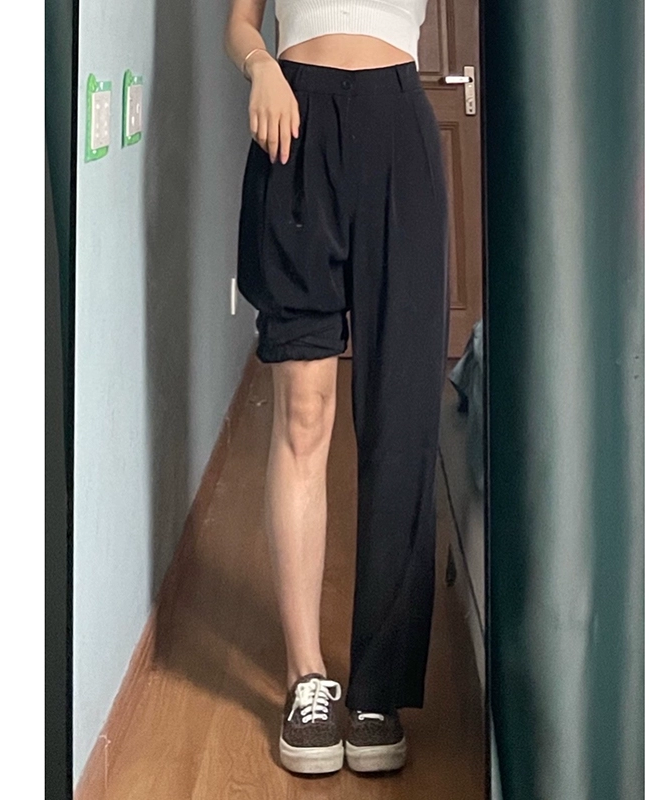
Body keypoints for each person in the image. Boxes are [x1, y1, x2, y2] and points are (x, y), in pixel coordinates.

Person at [224, 0, 449, 776]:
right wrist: (261, 66)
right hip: (295, 124)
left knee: (400, 416)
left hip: (399, 126)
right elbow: (240, 24)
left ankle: (379, 689)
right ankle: (306, 678)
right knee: (304, 415)